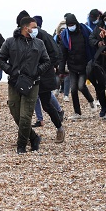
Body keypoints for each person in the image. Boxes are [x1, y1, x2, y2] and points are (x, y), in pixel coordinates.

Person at [0, 15, 51, 153]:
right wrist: (11, 71)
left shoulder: (39, 43)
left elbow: (47, 61)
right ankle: (34, 137)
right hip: (14, 82)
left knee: (26, 116)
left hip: (33, 83)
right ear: (25, 28)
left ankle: (21, 145)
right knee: (16, 113)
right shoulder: (9, 42)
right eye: (34, 27)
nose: (36, 29)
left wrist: (36, 71)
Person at [29, 13, 65, 141]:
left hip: (44, 76)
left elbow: (56, 54)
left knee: (46, 104)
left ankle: (59, 127)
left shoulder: (44, 36)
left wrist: (43, 68)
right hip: (28, 77)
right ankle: (28, 136)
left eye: (34, 27)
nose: (32, 30)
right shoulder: (21, 38)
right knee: (27, 106)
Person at [59, 13, 96, 119]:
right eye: (69, 25)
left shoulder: (84, 31)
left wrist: (93, 61)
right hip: (72, 65)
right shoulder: (65, 36)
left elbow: (91, 45)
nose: (71, 27)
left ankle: (91, 101)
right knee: (73, 89)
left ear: (76, 23)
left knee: (81, 86)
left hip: (84, 64)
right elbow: (63, 54)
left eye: (72, 24)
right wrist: (61, 68)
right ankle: (77, 112)